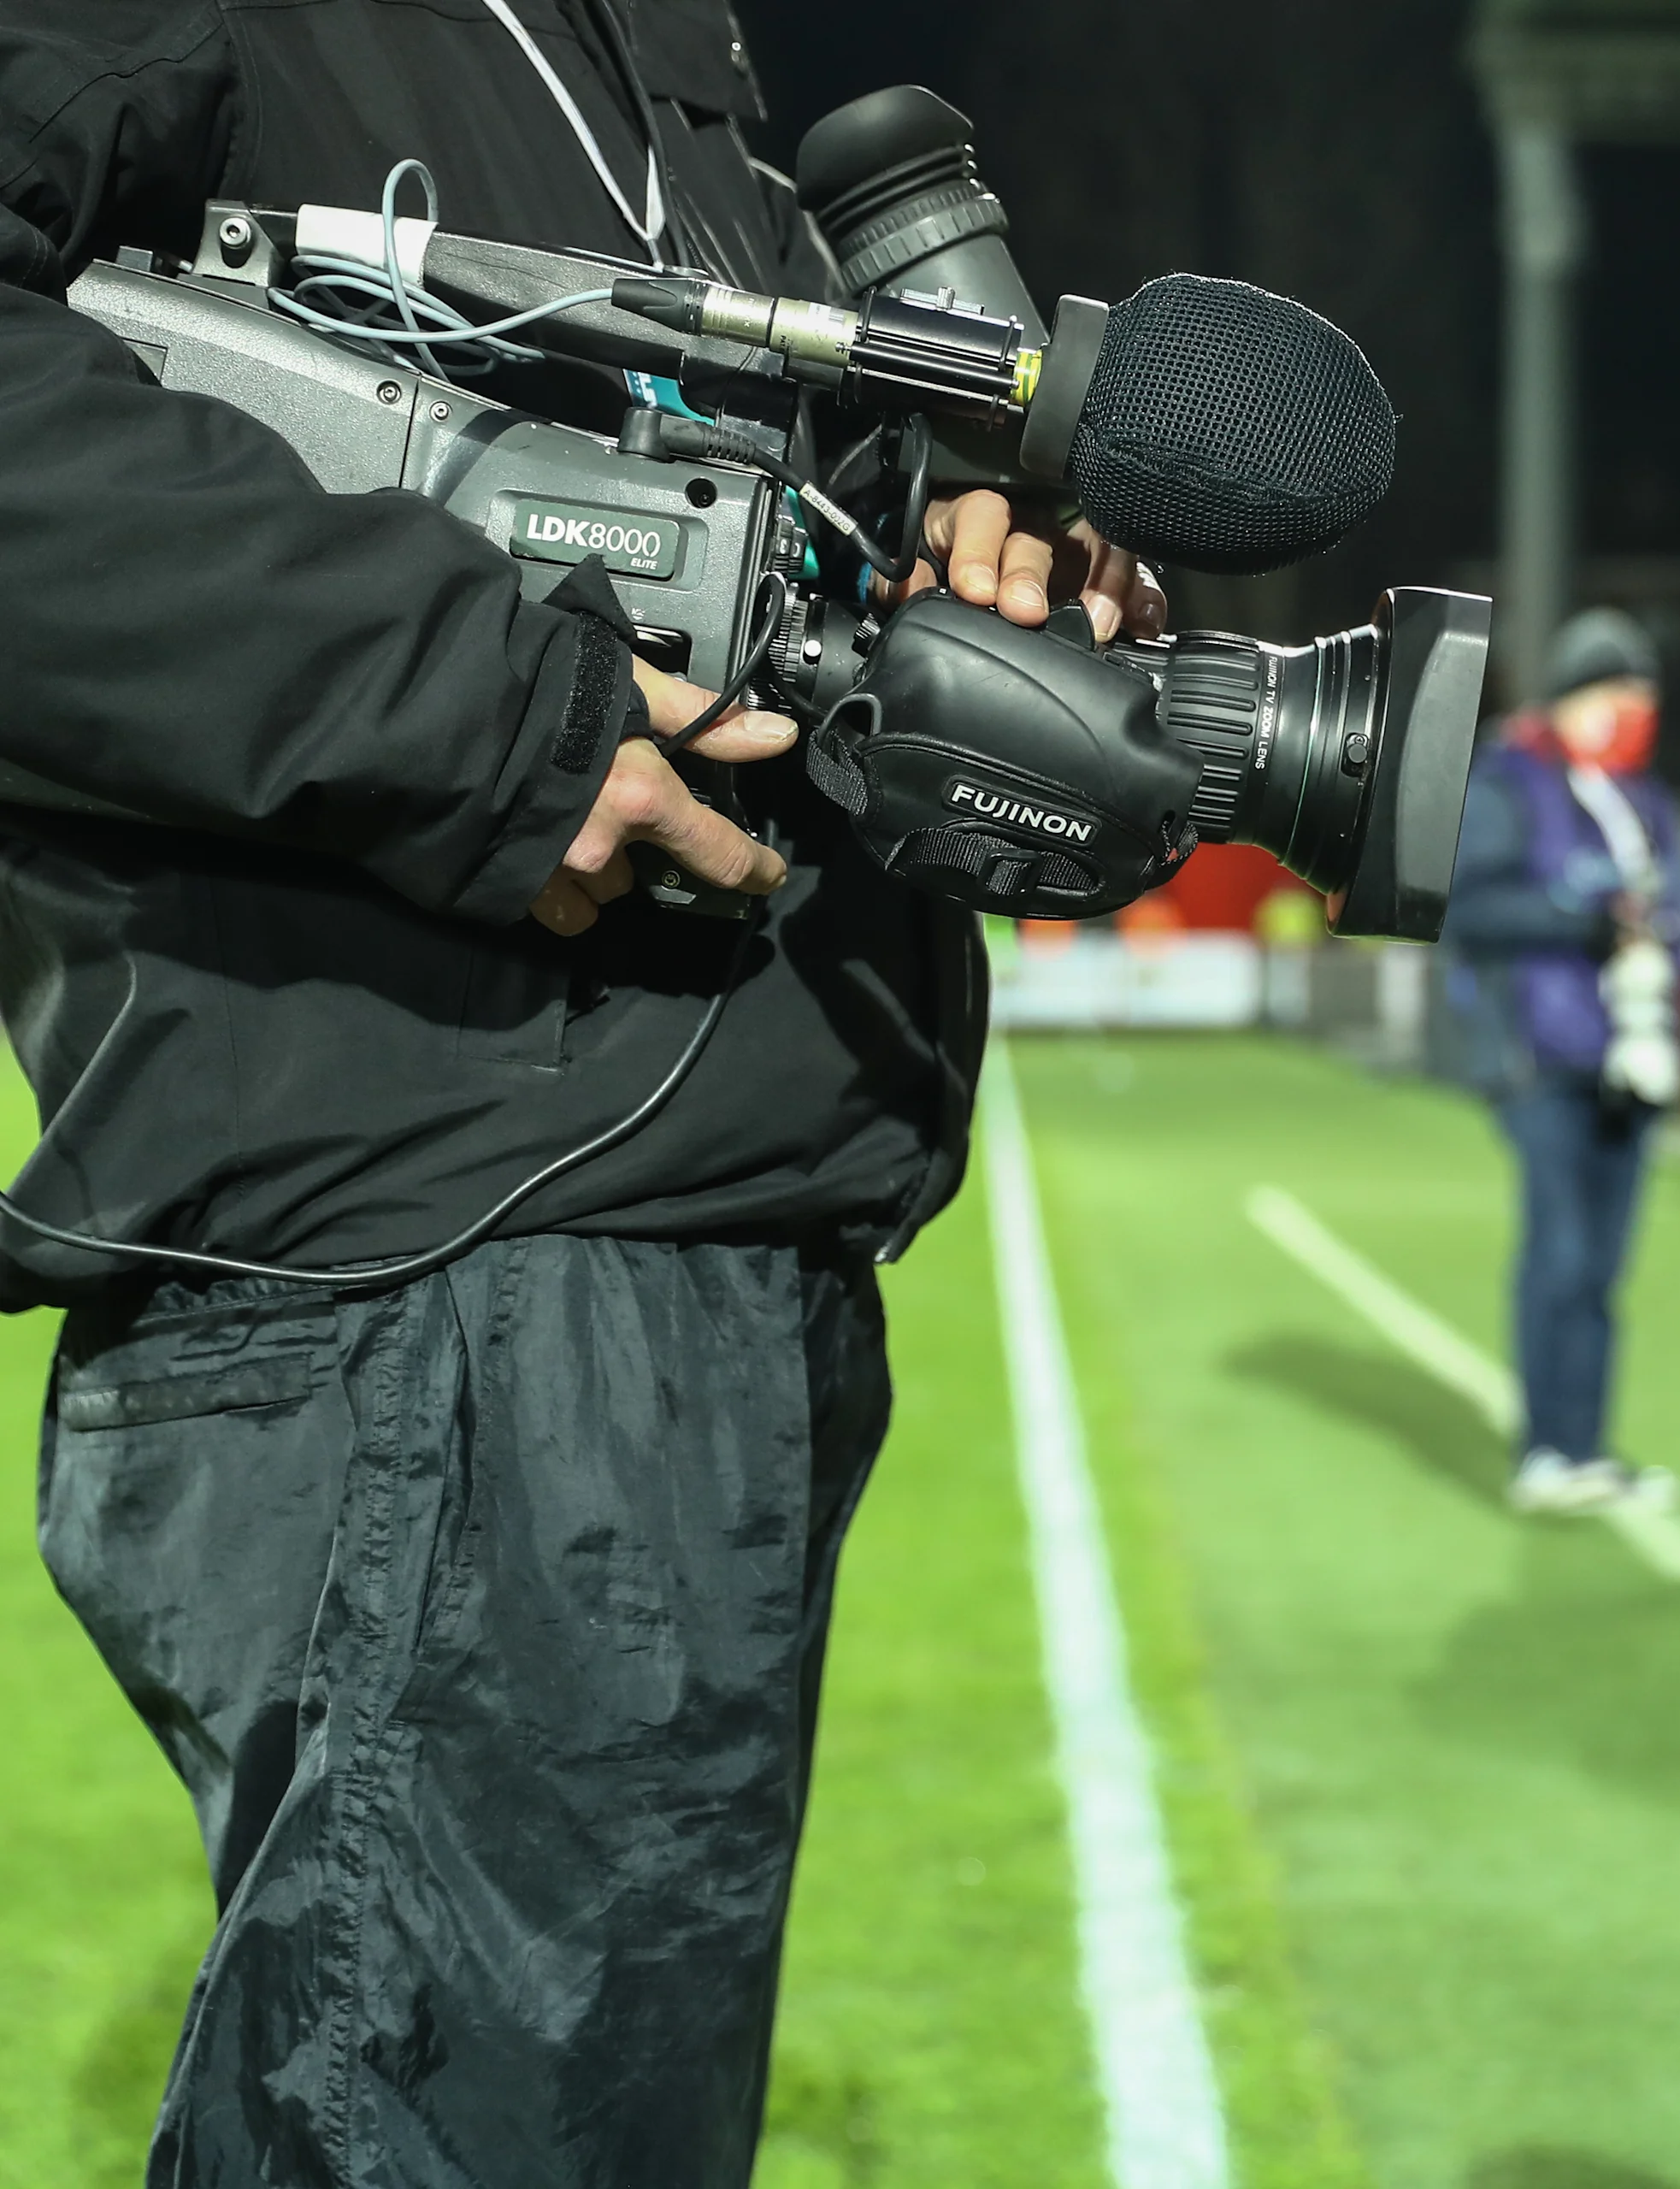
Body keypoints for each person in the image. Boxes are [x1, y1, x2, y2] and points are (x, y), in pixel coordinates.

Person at [0, 8, 1159, 2181]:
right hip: (460, 1269)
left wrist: (955, 589)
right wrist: (471, 712)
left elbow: (672, 542)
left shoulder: (647, 56)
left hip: (653, 1257)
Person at [1444, 609, 1680, 1517]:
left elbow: (1677, 921)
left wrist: (1678, 1028)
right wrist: (1582, 921)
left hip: (1631, 1059)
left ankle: (1585, 1448)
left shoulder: (1643, 799)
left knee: (1603, 1266)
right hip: (1539, 1054)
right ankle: (1546, 1450)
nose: (1634, 715)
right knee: (1561, 1248)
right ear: (1576, 696)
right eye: (1621, 696)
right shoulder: (1513, 779)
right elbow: (1470, 907)